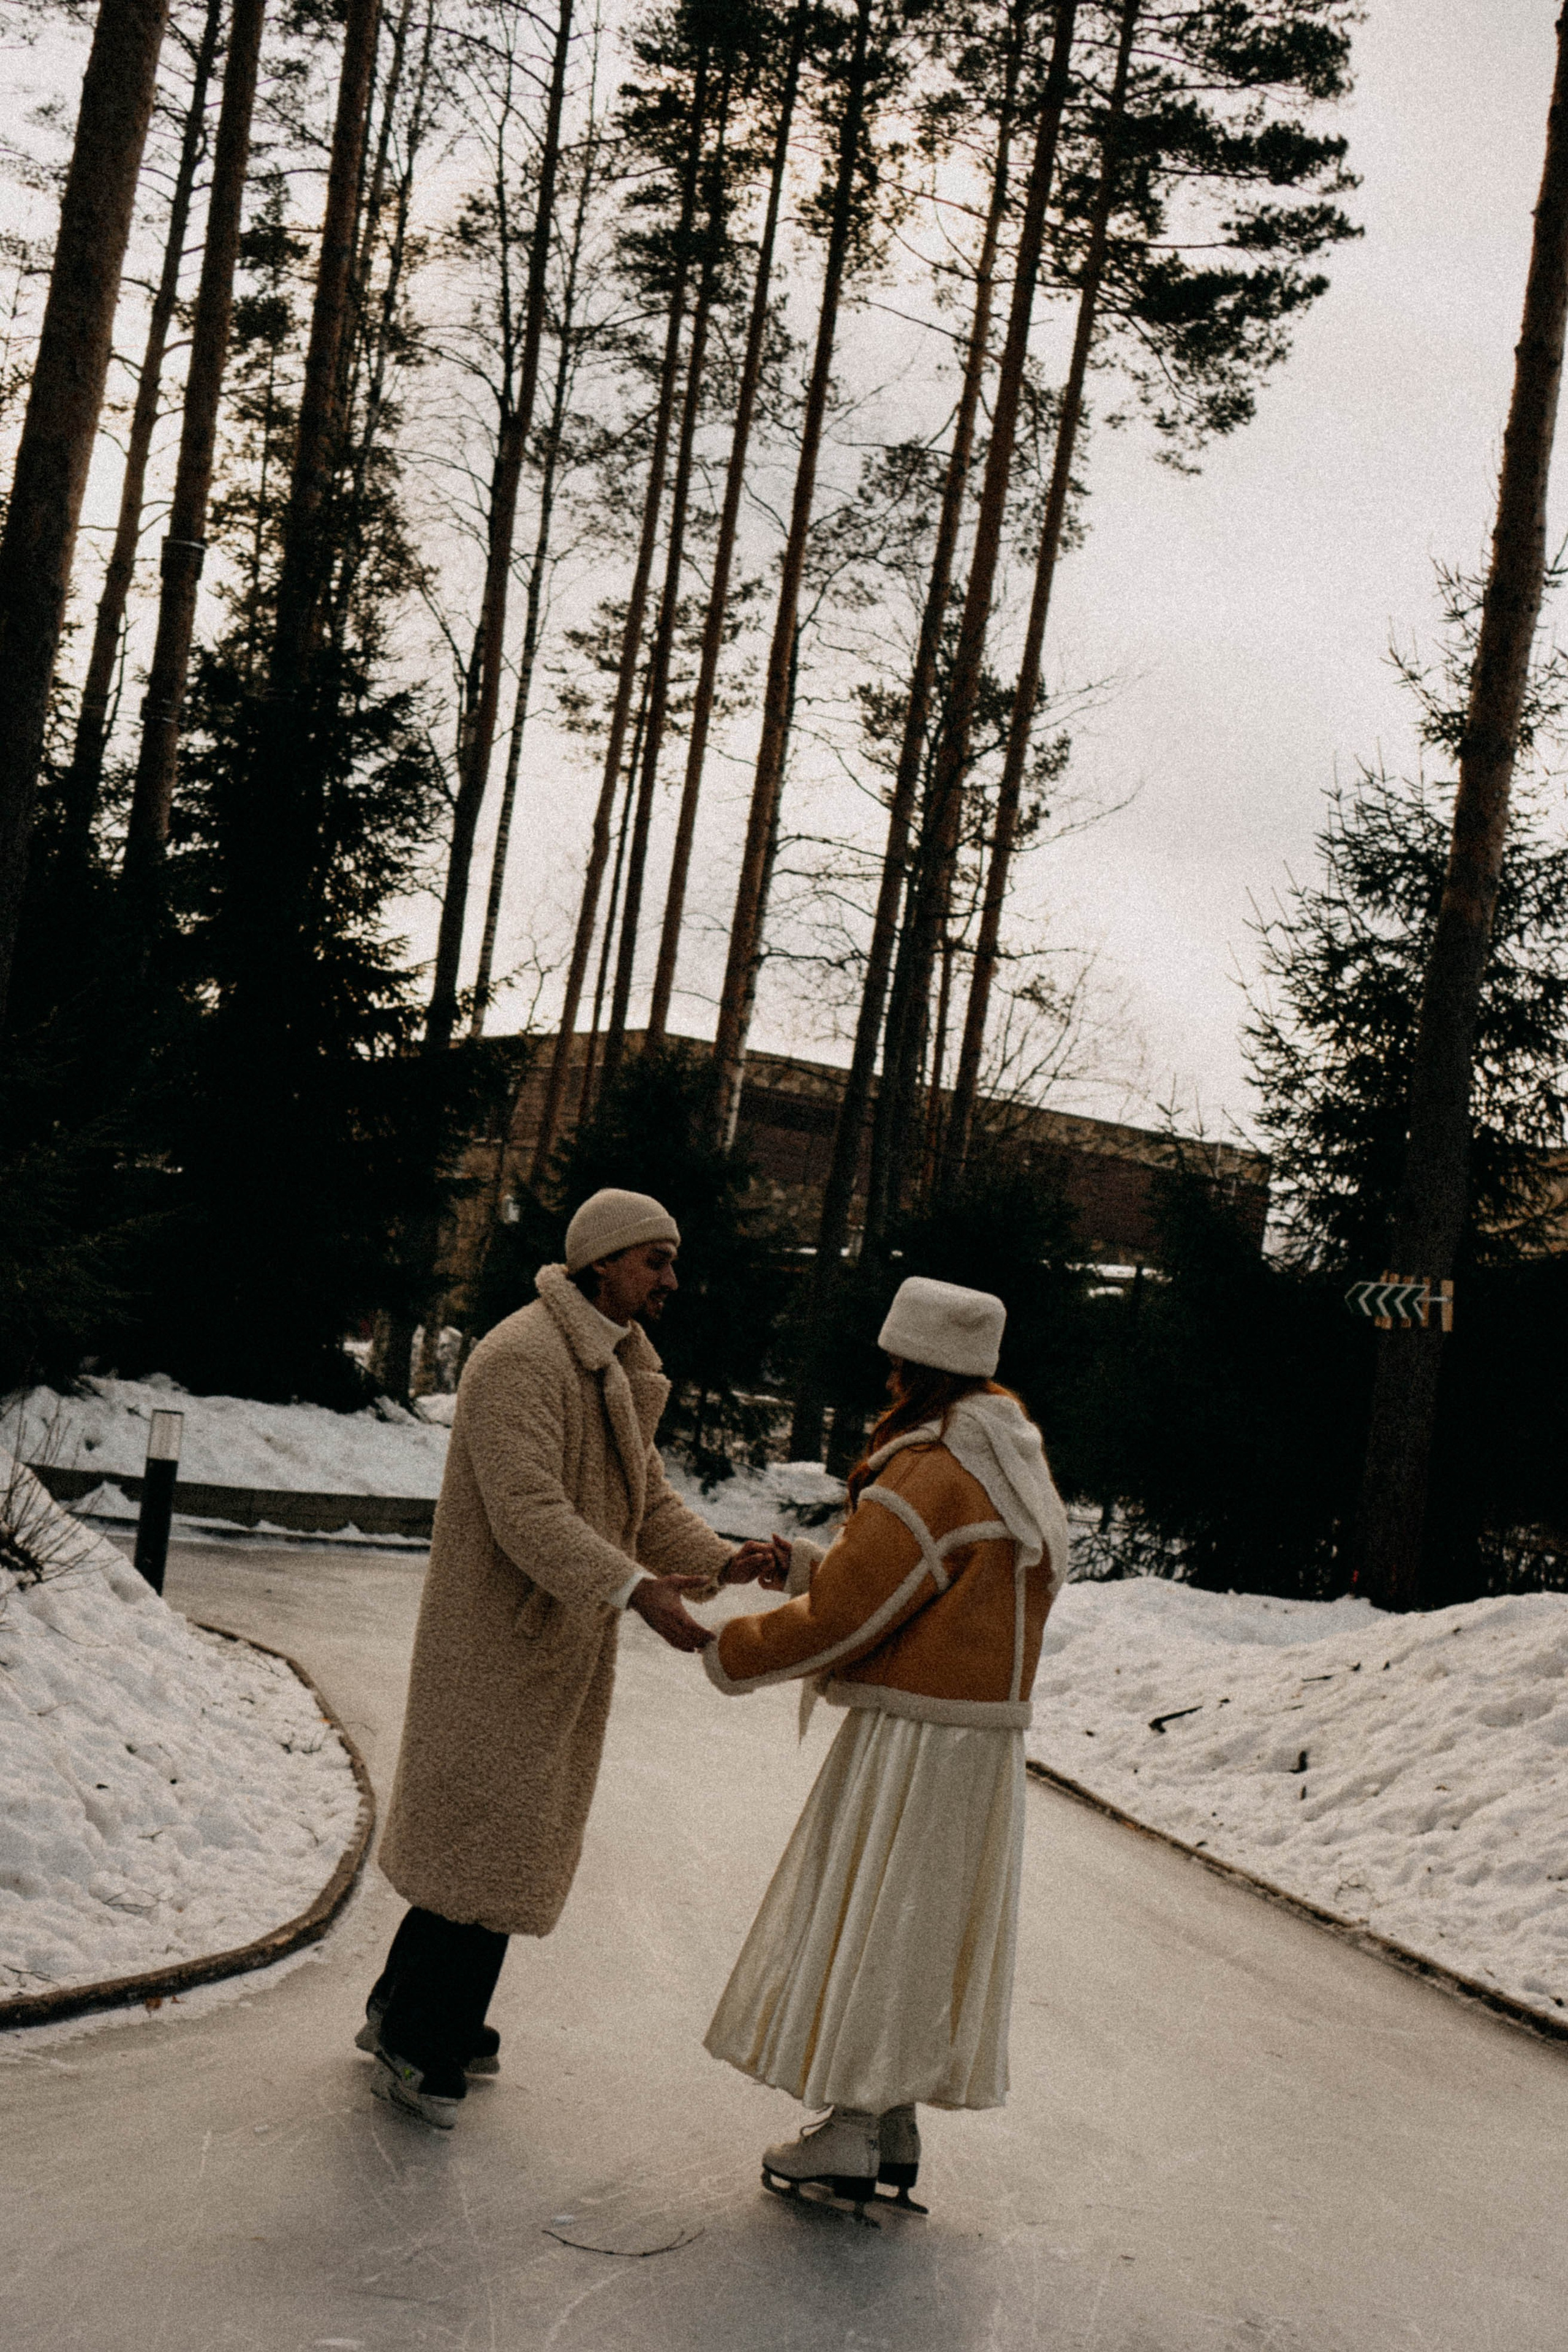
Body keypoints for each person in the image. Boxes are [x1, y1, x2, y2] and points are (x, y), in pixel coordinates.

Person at [366, 1187, 776, 2127]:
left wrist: (717, 1561)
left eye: (672, 1261)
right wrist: (638, 1592)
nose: (672, 1279)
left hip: (553, 1644)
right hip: (496, 1643)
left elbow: (644, 1504)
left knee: (497, 1837)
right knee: (488, 1836)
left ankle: (410, 2005)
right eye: (654, 1261)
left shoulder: (611, 1368)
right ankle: (419, 2037)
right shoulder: (521, 1359)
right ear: (602, 1264)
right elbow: (529, 1514)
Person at [701, 1275, 1070, 2219]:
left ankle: (854, 2130)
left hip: (915, 1738)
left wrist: (731, 1649)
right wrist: (811, 1561)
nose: (889, 1377)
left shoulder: (931, 1470)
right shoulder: (1011, 1457)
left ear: (918, 1362)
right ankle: (891, 2121)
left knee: (877, 1919)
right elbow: (930, 1591)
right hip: (976, 1745)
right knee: (918, 1922)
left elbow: (848, 1617)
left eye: (897, 1360)